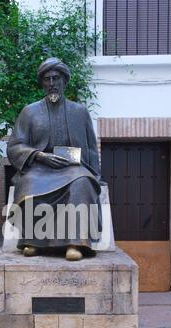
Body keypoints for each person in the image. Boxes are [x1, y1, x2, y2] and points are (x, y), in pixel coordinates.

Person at [6, 57, 102, 261]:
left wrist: (95, 173)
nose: (51, 84)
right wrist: (39, 155)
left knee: (82, 183)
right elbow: (15, 145)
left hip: (73, 167)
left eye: (55, 79)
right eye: (47, 80)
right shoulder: (29, 111)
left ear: (64, 81)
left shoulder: (80, 111)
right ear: (42, 83)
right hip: (40, 167)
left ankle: (76, 243)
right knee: (30, 182)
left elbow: (92, 148)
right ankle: (33, 241)